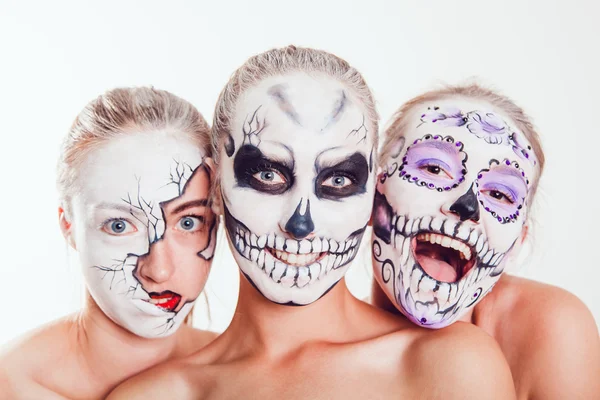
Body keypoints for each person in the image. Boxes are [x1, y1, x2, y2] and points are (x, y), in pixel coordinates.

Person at [109, 46, 515, 399]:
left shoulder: (451, 363)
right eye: (269, 175)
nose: (300, 225)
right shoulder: (154, 395)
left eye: (338, 180)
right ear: (215, 185)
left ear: (374, 189)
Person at [370, 84, 600, 399]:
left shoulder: (553, 328)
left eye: (499, 194)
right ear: (371, 194)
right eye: (435, 168)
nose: (466, 207)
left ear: (519, 241)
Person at [0, 87, 219, 399]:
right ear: (68, 225)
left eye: (188, 222)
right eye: (119, 225)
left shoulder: (252, 379)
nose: (158, 270)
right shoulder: (11, 386)